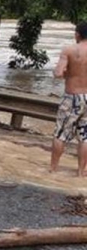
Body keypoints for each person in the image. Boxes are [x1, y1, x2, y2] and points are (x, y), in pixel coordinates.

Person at [50, 22, 87, 176]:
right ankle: (80, 171)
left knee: (61, 134)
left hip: (72, 96)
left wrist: (65, 72)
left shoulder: (70, 50)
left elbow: (58, 73)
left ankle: (53, 168)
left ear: (77, 34)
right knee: (85, 136)